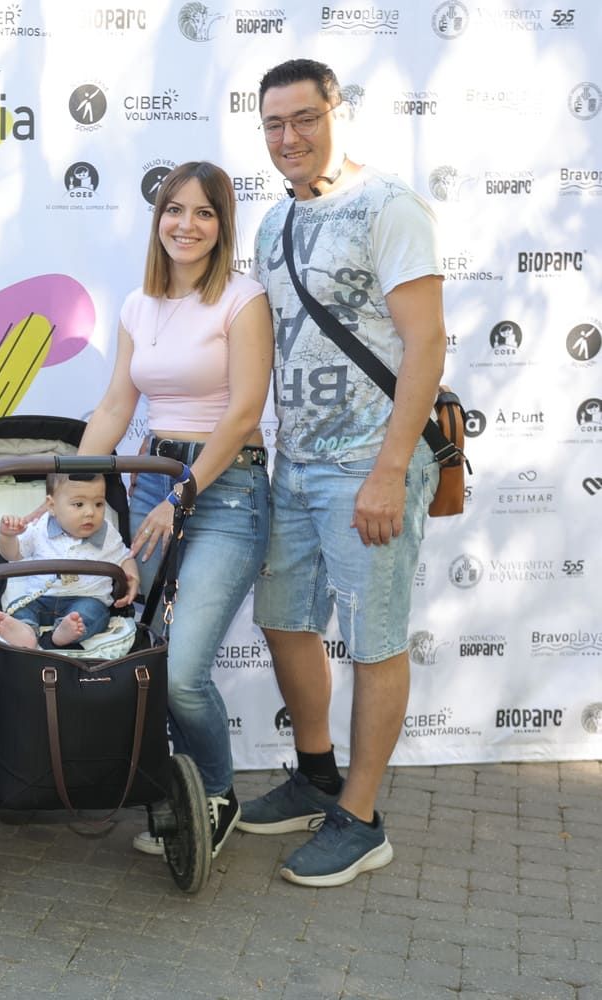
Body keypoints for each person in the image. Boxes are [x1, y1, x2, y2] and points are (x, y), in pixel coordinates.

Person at [242, 59, 445, 887]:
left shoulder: (388, 206)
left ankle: (360, 817)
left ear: (338, 112)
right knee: (285, 619)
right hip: (295, 465)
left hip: (372, 462)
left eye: (304, 119)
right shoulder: (271, 225)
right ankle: (315, 772)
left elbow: (426, 342)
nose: (288, 139)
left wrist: (390, 470)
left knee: (373, 638)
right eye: (273, 125)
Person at [77, 161, 273, 859]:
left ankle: (215, 797)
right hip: (156, 479)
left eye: (204, 212)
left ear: (223, 226)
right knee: (152, 656)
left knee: (184, 668)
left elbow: (246, 407)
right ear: (157, 218)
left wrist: (185, 493)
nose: (186, 224)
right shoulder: (138, 305)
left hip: (226, 488)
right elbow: (114, 407)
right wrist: (67, 482)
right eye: (174, 210)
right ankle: (178, 791)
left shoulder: (242, 299)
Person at [0, 474, 139, 649]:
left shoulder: (107, 533)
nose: (90, 512)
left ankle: (64, 633)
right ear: (52, 506)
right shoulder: (40, 528)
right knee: (19, 607)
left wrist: (133, 577)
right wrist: (7, 536)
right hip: (40, 598)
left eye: (99, 504)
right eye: (78, 504)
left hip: (86, 599)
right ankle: (26, 630)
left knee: (94, 614)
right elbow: (12, 554)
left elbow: (125, 558)